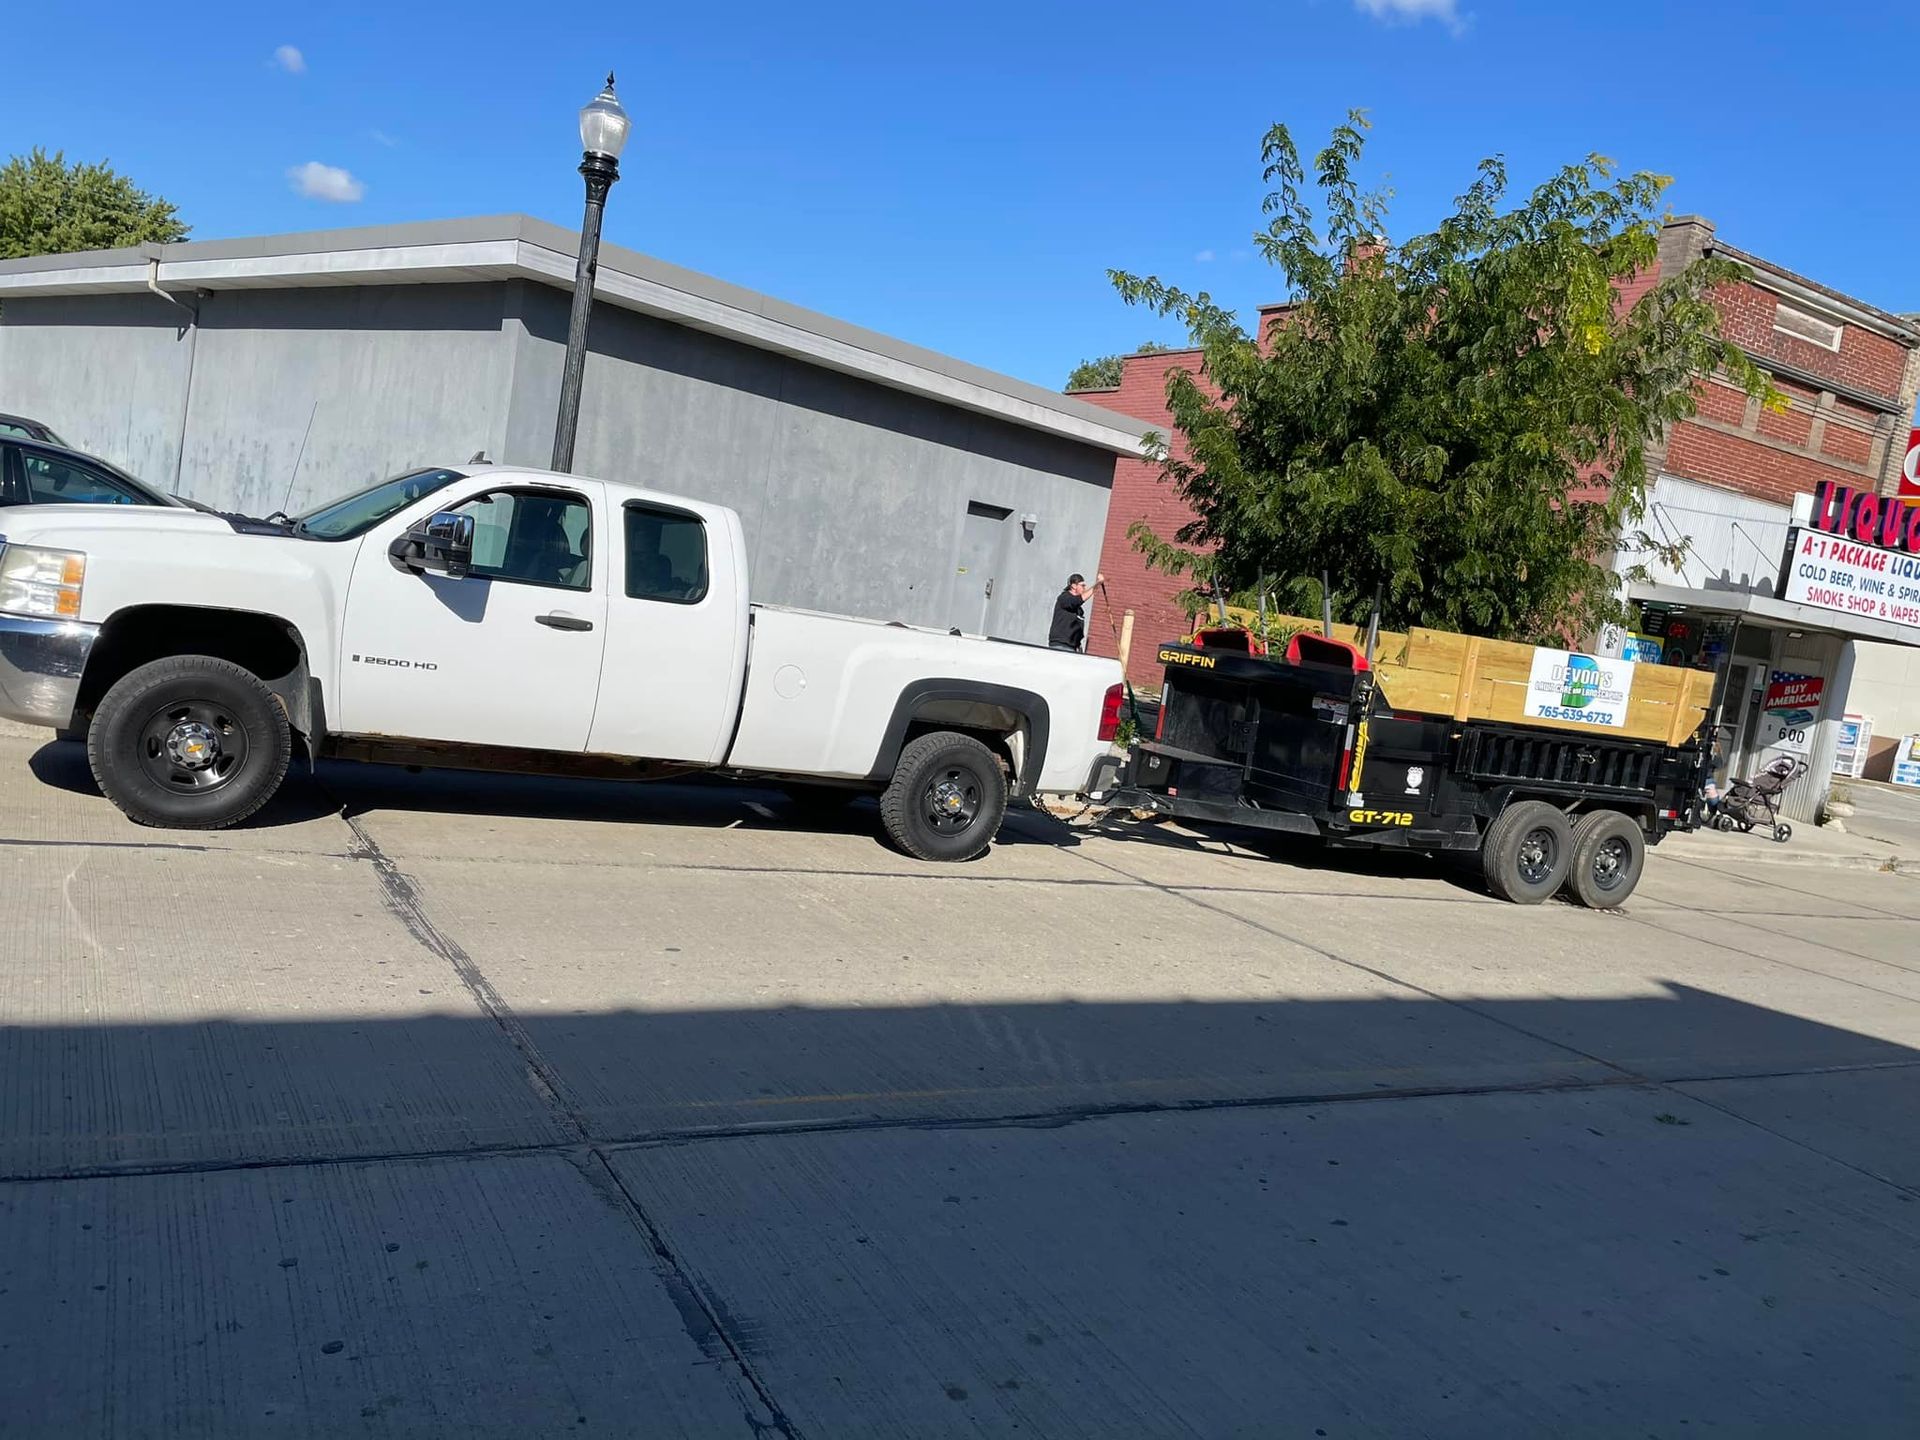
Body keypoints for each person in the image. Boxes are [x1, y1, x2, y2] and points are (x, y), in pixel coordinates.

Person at [1049, 572, 1103, 651]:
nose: (1084, 588)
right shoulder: (1064, 598)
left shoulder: (1079, 610)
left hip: (1073, 647)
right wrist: (1098, 584)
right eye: (1082, 585)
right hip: (1060, 645)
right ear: (1074, 586)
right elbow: (1078, 600)